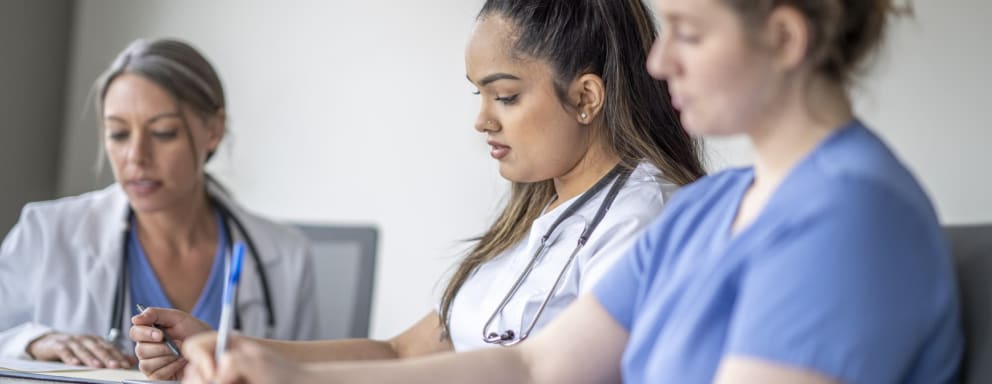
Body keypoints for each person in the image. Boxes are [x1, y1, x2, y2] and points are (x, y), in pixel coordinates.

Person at [180, 0, 964, 383]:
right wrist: (300, 377)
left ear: (785, 40)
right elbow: (535, 365)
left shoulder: (851, 218)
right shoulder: (705, 213)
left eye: (689, 33)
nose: (658, 66)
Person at [133, 0, 706, 380]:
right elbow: (400, 353)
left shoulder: (645, 216)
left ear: (584, 97)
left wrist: (297, 379)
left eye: (504, 96)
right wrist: (240, 350)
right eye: (477, 96)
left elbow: (538, 370)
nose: (483, 120)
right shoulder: (536, 218)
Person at [0, 38, 317, 369]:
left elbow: (309, 375)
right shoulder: (47, 232)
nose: (136, 156)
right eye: (119, 134)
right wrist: (35, 342)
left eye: (163, 133)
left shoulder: (285, 256)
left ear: (213, 130)